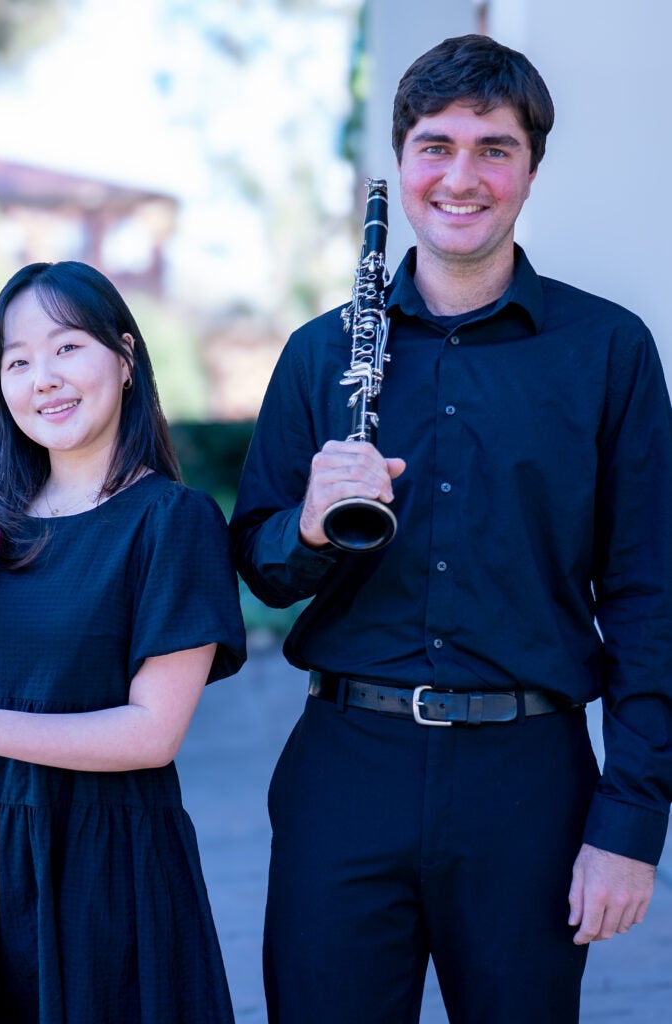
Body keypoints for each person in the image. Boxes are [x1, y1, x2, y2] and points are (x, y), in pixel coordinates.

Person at [230, 33, 672, 1024]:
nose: (460, 177)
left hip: (530, 781)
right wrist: (307, 526)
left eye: (493, 148)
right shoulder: (318, 355)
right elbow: (259, 563)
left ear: (530, 169)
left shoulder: (608, 351)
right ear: (401, 161)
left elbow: (652, 599)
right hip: (346, 768)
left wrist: (631, 820)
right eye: (435, 146)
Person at [0, 260, 246, 1023]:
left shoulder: (173, 522)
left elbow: (152, 734)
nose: (43, 379)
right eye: (17, 362)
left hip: (104, 867)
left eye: (65, 348)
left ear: (124, 358)